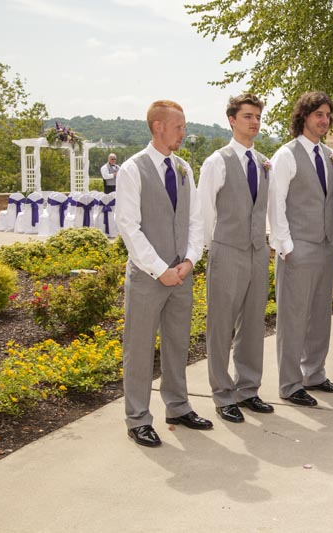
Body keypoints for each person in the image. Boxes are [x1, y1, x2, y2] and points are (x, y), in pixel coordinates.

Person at [115, 100, 212, 448]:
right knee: (139, 349)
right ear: (158, 127)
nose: (183, 133)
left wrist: (190, 260)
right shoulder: (132, 169)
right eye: (178, 127)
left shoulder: (184, 168)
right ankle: (138, 418)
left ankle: (178, 407)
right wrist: (160, 270)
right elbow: (129, 227)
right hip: (148, 278)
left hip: (181, 275)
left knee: (177, 344)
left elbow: (195, 220)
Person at [197, 93, 274, 423]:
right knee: (221, 325)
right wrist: (208, 251)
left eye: (257, 116)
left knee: (254, 323)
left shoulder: (264, 163)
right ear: (231, 120)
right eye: (247, 116)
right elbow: (204, 212)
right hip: (227, 250)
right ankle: (222, 394)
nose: (254, 122)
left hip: (258, 251)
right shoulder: (217, 161)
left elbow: (266, 209)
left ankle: (248, 389)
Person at [268, 91, 333, 407]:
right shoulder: (286, 155)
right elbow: (275, 204)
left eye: (327, 115)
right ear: (304, 116)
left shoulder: (329, 155)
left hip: (326, 247)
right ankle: (290, 384)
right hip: (297, 249)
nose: (324, 120)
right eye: (319, 114)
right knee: (293, 319)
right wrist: (286, 247)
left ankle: (314, 374)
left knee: (320, 316)